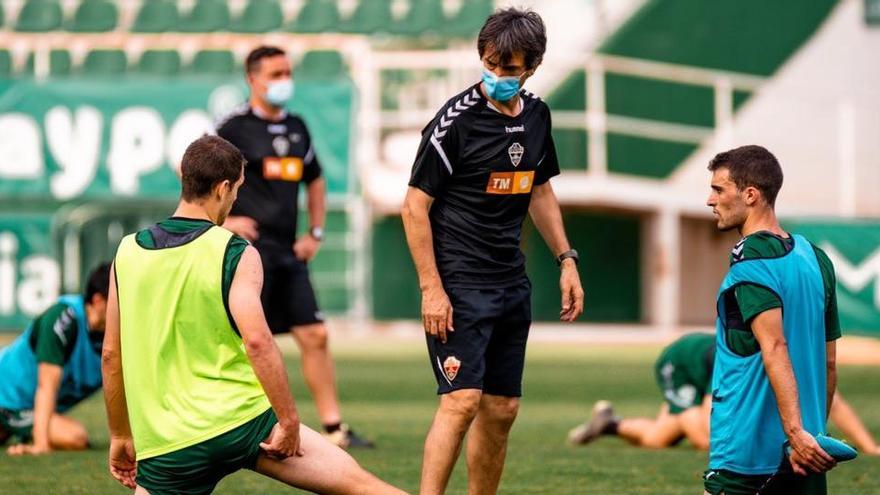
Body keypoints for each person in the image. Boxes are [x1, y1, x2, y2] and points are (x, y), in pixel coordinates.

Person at [101, 135, 403, 494]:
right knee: (363, 488)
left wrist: (121, 434)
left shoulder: (127, 253)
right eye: (238, 190)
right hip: (245, 423)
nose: (236, 199)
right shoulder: (234, 250)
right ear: (223, 187)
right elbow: (258, 342)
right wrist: (288, 421)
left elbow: (111, 355)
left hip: (170, 445)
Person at [401, 8, 585, 495]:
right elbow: (413, 207)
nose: (498, 75)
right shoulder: (452, 123)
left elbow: (539, 193)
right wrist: (431, 289)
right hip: (459, 285)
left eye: (510, 68)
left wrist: (566, 260)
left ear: (532, 67)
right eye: (491, 63)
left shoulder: (538, 116)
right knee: (461, 402)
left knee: (502, 409)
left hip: (510, 282)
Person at [217, 45, 372, 448]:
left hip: (288, 252)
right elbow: (193, 170)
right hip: (248, 254)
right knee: (243, 339)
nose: (284, 81)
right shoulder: (232, 128)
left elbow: (315, 180)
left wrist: (315, 233)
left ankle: (335, 427)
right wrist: (226, 221)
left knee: (314, 335)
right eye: (275, 74)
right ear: (253, 80)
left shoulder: (298, 127)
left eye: (288, 73)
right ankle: (233, 422)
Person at [703, 145, 838, 494]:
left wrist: (795, 434)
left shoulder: (750, 263)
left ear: (750, 195)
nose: (709, 200)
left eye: (718, 190)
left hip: (747, 454)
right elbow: (830, 363)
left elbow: (775, 346)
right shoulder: (817, 259)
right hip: (805, 452)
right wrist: (809, 437)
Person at [568, 333, 880, 456]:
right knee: (702, 439)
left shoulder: (789, 363)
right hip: (680, 364)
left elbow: (833, 400)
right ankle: (610, 424)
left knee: (660, 438)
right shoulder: (738, 364)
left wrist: (870, 448)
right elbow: (711, 426)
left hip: (702, 367)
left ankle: (609, 424)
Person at [0, 263, 110, 455]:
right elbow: (46, 386)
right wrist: (41, 445)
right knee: (74, 436)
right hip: (7, 398)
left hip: (27, 409)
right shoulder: (64, 318)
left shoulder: (118, 334)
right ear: (99, 300)